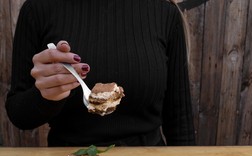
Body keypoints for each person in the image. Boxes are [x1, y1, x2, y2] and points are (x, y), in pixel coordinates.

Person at [6, 0, 196, 147]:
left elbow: (180, 121)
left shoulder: (164, 12)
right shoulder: (37, 9)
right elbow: (19, 115)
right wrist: (46, 96)